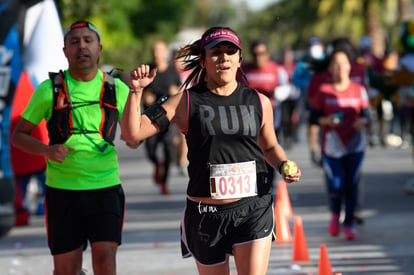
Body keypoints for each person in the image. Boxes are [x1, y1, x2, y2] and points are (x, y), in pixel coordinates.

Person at [121, 26, 301, 274]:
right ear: (204, 60)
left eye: (231, 51)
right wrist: (135, 91)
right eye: (216, 52)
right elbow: (132, 133)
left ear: (240, 59)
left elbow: (270, 146)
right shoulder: (185, 101)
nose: (224, 57)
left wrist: (282, 164)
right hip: (205, 215)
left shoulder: (259, 101)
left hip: (252, 208)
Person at [11, 21, 138, 275]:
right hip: (62, 192)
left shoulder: (118, 89)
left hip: (105, 188)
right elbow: (18, 136)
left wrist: (139, 100)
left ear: (99, 48)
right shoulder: (49, 90)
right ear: (65, 50)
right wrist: (47, 151)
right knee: (65, 270)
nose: (82, 46)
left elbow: (135, 138)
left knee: (105, 262)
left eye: (88, 41)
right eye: (75, 41)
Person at [309, 47, 370, 240]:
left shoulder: (359, 90)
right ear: (330, 68)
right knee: (336, 184)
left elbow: (367, 116)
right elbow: (314, 119)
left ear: (350, 66)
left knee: (352, 183)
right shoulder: (323, 91)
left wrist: (362, 122)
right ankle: (336, 214)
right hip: (333, 145)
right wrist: (327, 121)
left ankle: (349, 223)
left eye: (344, 63)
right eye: (336, 64)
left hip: (355, 144)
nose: (340, 67)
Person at [239, 39, 290, 186]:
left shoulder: (276, 69)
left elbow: (288, 89)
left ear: (267, 54)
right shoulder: (242, 70)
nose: (258, 57)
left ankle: (268, 184)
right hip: (247, 119)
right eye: (255, 54)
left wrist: (277, 92)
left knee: (270, 148)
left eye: (262, 53)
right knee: (252, 152)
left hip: (272, 117)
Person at [142, 40, 182, 194]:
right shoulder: (148, 69)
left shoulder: (172, 70)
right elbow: (139, 91)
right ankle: (156, 163)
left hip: (168, 118)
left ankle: (164, 183)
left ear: (165, 53)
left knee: (167, 147)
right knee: (150, 148)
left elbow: (180, 91)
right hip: (150, 116)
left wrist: (175, 92)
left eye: (159, 51)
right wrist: (146, 97)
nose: (156, 54)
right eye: (153, 51)